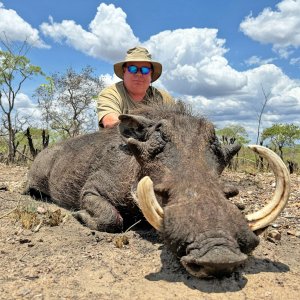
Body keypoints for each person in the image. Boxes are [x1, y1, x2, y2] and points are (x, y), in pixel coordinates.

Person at [97, 46, 174, 128]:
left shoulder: (163, 98)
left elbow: (179, 122)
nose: (139, 74)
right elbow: (110, 123)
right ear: (124, 71)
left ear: (151, 73)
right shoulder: (110, 94)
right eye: (133, 69)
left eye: (145, 70)